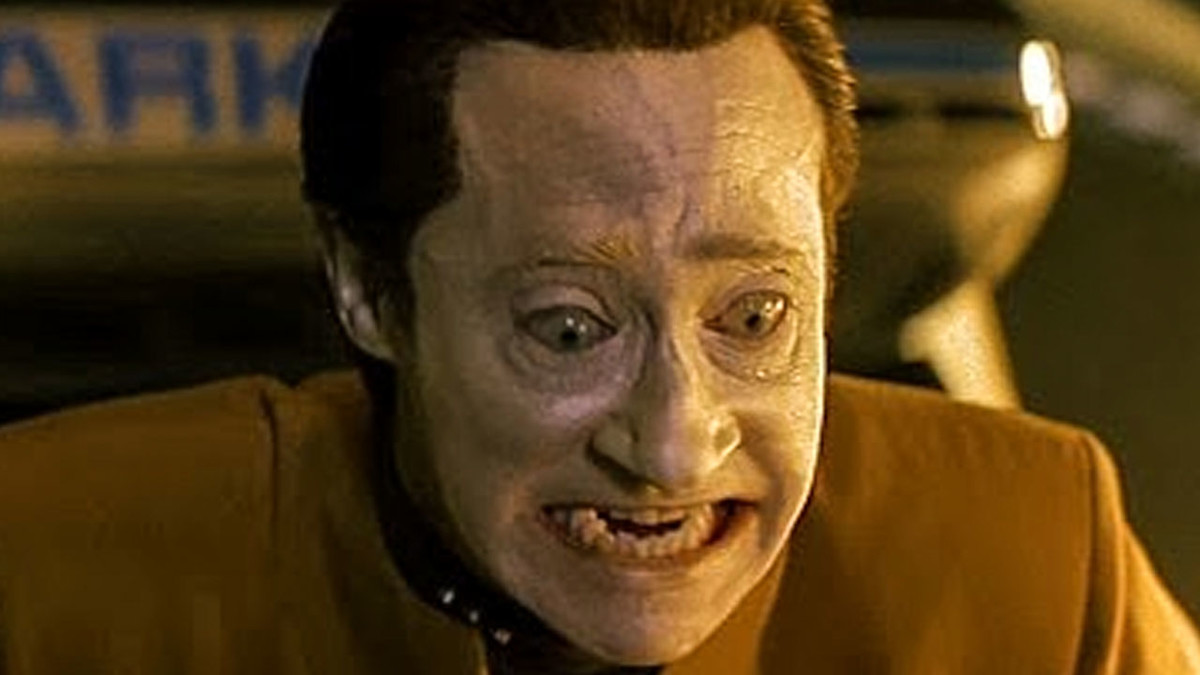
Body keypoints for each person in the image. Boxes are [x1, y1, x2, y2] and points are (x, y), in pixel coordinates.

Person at [0, 0, 1196, 672]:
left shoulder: (1043, 564)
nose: (673, 448)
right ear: (368, 293)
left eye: (755, 317)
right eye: (569, 329)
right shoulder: (41, 572)